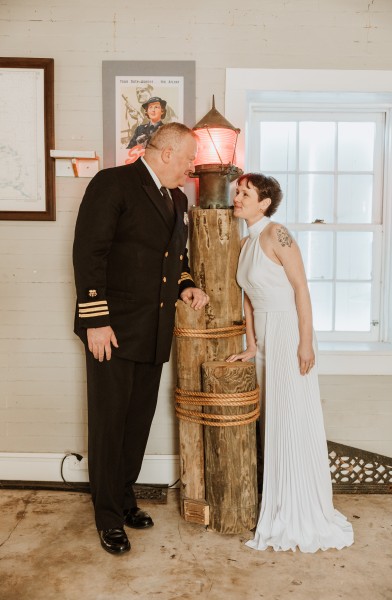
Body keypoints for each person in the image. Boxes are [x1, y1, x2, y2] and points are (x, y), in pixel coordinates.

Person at [73, 122, 209, 555]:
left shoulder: (177, 199)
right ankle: (108, 516)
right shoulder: (113, 183)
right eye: (188, 159)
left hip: (154, 329)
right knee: (110, 424)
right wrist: (96, 321)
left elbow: (175, 257)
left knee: (136, 424)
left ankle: (124, 497)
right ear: (166, 153)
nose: (191, 168)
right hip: (112, 331)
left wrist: (186, 285)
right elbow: (89, 252)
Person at [226, 173, 354, 553]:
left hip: (288, 332)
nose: (237, 197)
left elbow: (301, 288)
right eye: (237, 191)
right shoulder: (245, 242)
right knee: (274, 421)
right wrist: (252, 344)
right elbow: (248, 298)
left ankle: (300, 510)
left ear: (265, 203)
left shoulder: (276, 233)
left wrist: (305, 343)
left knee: (291, 419)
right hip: (266, 338)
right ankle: (279, 503)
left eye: (245, 193)